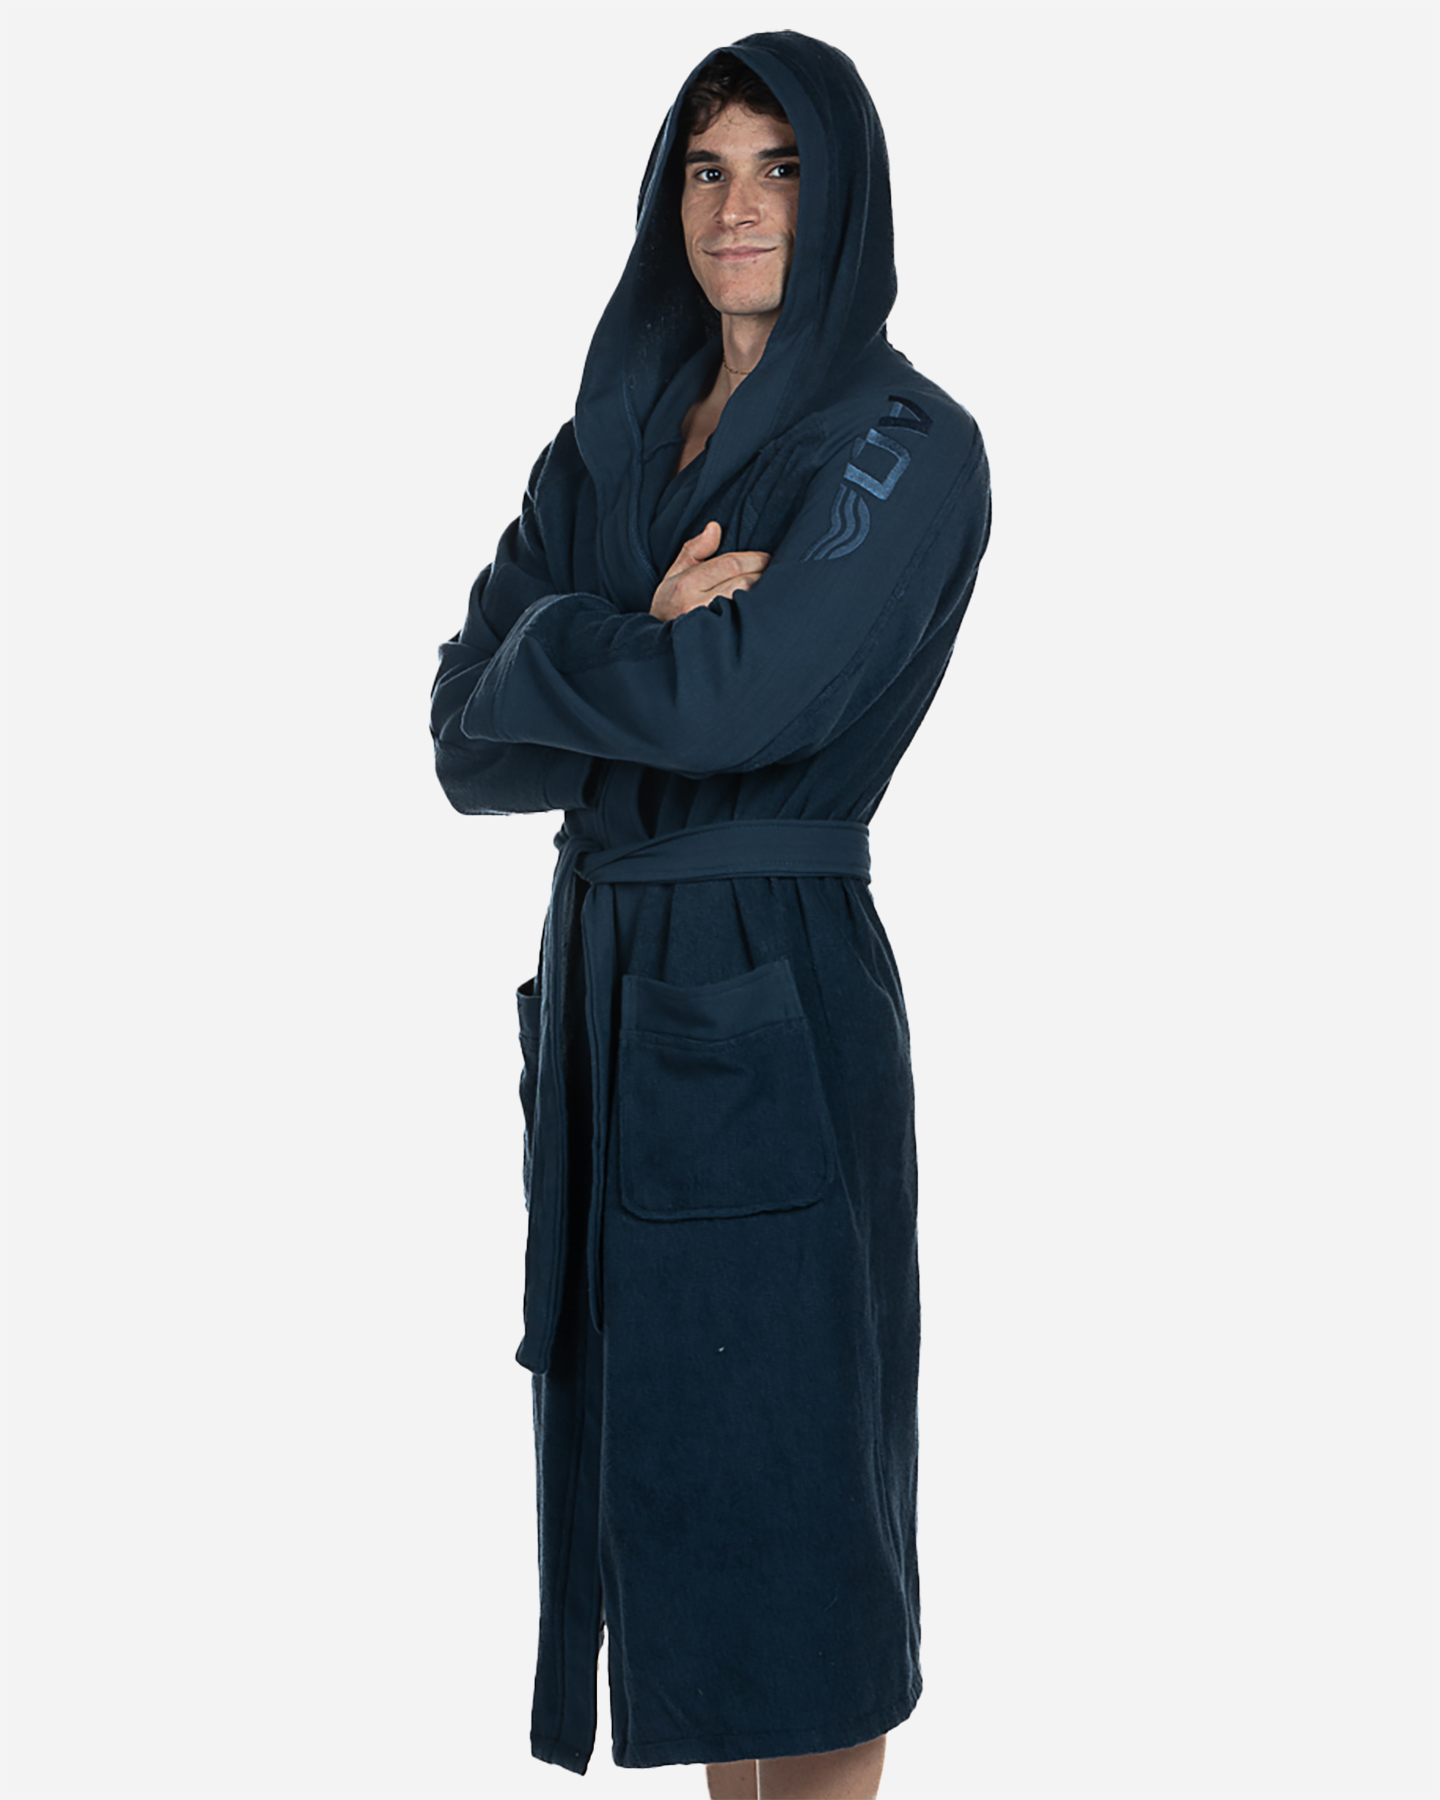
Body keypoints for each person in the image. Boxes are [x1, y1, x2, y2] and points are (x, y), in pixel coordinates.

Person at [429, 31, 993, 1797]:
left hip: (772, 986)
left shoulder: (904, 445)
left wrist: (578, 657)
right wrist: (637, 630)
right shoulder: (602, 447)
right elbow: (462, 745)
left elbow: (735, 710)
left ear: (845, 197)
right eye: (706, 167)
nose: (738, 207)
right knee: (673, 1517)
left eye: (781, 167)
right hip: (611, 980)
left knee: (796, 1533)